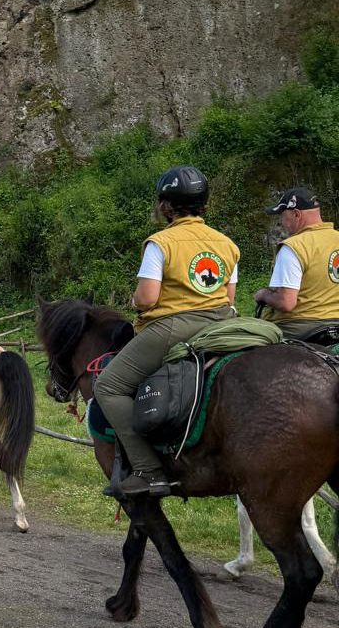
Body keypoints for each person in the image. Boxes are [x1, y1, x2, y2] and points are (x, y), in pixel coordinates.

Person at [96, 166, 239, 497]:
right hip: (222, 322)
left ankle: (148, 470)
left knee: (109, 385)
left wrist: (134, 300)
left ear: (166, 206)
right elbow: (228, 297)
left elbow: (147, 299)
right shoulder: (227, 244)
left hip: (175, 326)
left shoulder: (160, 243)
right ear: (204, 204)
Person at [255, 186, 339, 339]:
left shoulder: (294, 246)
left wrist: (264, 294)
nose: (281, 221)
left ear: (296, 214)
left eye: (282, 215)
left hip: (299, 327)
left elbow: (286, 302)